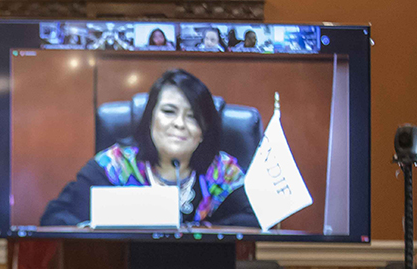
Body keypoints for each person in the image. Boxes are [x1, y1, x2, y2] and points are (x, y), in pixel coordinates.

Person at [40, 68, 259, 228]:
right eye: (169, 112)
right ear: (150, 118)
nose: (180, 124)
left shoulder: (221, 172)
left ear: (203, 131)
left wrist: (202, 231)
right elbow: (55, 217)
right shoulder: (117, 166)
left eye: (193, 117)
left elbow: (256, 219)